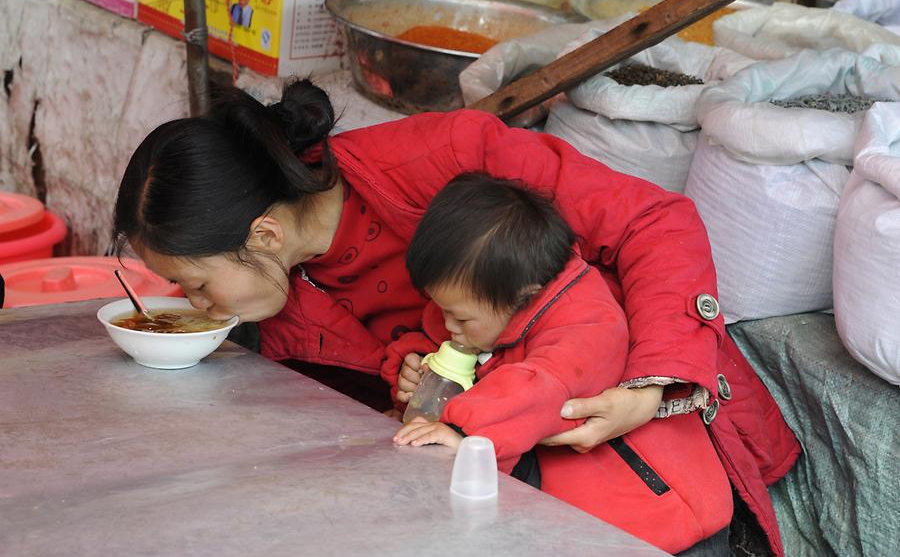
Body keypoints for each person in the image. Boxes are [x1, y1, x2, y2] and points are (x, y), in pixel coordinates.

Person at [113, 80, 799, 557]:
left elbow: (655, 221)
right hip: (508, 492)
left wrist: (651, 387)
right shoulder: (286, 303)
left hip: (640, 462)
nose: (197, 306)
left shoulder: (443, 161)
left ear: (263, 234)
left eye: (195, 283)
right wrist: (408, 373)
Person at [391, 172, 733, 554]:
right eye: (441, 309)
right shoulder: (488, 303)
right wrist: (413, 367)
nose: (448, 325)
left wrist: (462, 432)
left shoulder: (585, 323)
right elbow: (436, 332)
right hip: (585, 517)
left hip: (662, 521)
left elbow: (540, 386)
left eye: (461, 318)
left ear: (524, 295)